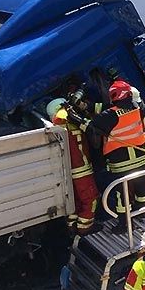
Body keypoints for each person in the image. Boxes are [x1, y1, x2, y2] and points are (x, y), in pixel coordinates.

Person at [69, 80, 145, 234]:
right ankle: (142, 212)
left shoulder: (110, 115)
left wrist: (76, 118)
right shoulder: (139, 108)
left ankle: (125, 224)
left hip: (122, 163)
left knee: (122, 194)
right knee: (141, 187)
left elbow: (92, 128)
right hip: (141, 157)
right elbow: (108, 109)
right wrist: (86, 106)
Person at [46, 98, 101, 235]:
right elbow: (91, 128)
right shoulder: (69, 122)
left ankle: (72, 227)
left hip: (67, 172)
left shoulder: (54, 127)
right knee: (91, 199)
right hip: (81, 170)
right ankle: (85, 228)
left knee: (74, 201)